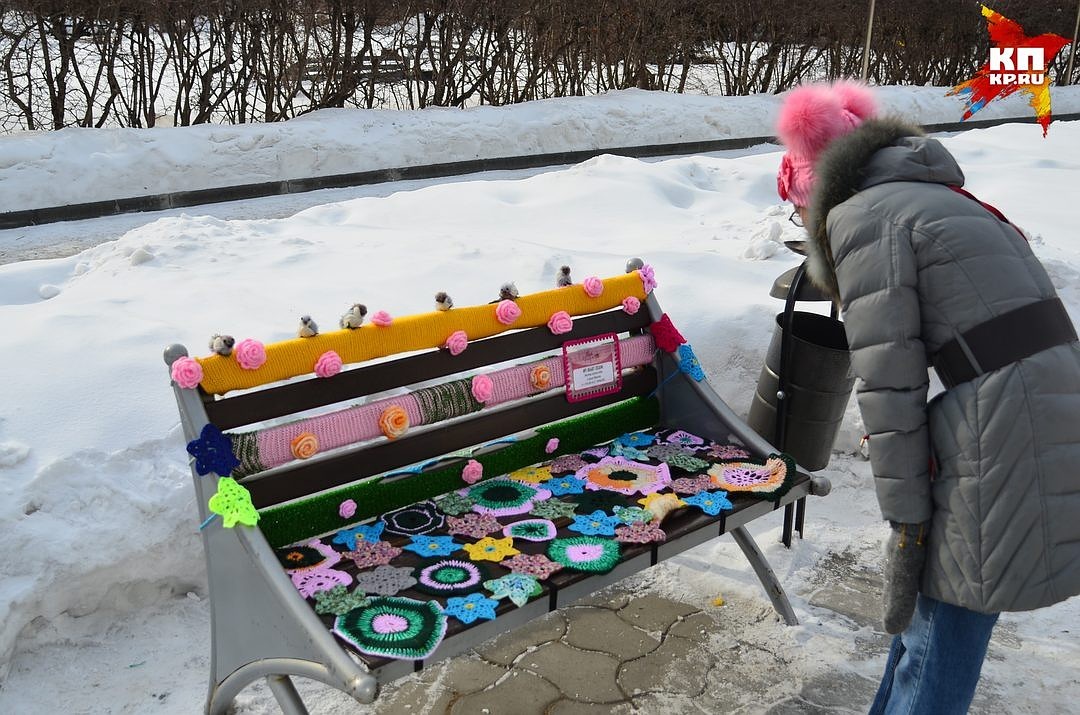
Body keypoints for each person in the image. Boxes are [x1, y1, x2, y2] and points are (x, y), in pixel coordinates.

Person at [774, 81, 1080, 714]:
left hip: (1004, 422)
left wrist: (908, 523)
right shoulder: (940, 199)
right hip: (1043, 404)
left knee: (947, 614)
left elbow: (890, 389)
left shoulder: (862, 220)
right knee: (941, 608)